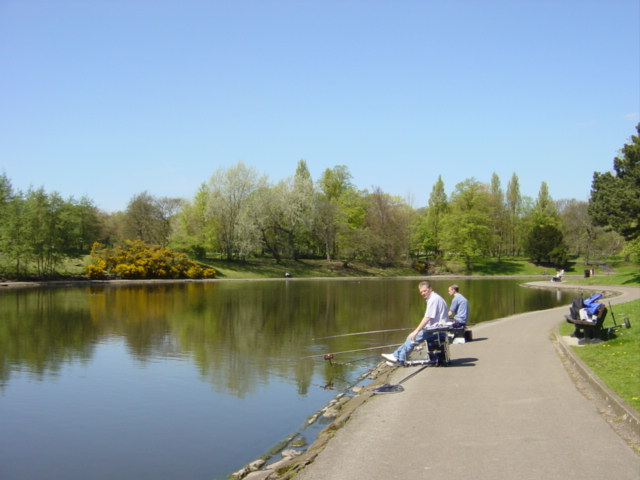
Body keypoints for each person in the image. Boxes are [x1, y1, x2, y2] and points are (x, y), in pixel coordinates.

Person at [382, 281, 449, 366]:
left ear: (430, 289)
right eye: (421, 292)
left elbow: (427, 317)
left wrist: (416, 331)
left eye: (425, 291)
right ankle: (396, 356)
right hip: (436, 328)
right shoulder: (435, 297)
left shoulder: (433, 299)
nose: (423, 293)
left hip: (436, 330)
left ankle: (399, 359)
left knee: (411, 338)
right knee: (410, 337)